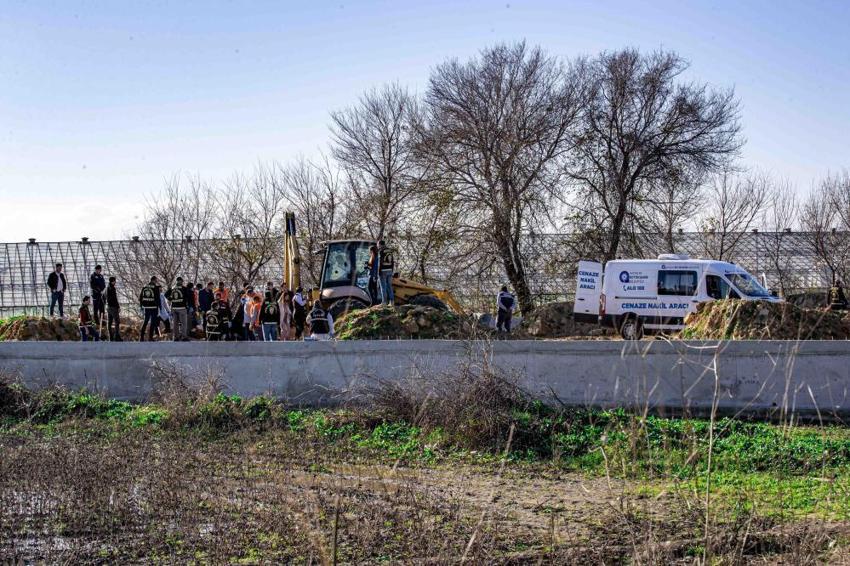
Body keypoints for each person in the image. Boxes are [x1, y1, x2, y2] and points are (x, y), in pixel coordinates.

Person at [166, 277, 189, 341]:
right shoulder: (184, 288)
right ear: (181, 281)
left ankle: (176, 337)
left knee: (175, 323)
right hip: (182, 308)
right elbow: (188, 297)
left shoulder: (173, 288)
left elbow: (166, 294)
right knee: (183, 323)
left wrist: (170, 299)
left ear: (176, 281)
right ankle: (184, 337)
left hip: (174, 308)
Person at [139, 276, 160, 341]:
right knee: (153, 322)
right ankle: (150, 337)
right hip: (154, 307)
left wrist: (141, 306)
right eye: (156, 280)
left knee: (145, 321)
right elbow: (157, 299)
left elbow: (140, 298)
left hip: (146, 307)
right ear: (154, 280)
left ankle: (141, 337)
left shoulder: (144, 287)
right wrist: (158, 307)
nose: (157, 281)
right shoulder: (156, 288)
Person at [378, 240, 395, 306]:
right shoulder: (390, 251)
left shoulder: (381, 251)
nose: (377, 246)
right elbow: (393, 261)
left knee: (383, 287)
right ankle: (392, 302)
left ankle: (384, 302)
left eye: (378, 244)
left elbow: (380, 262)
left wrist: (378, 272)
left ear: (380, 244)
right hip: (390, 270)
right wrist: (392, 270)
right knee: (389, 286)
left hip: (383, 271)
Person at [106, 276, 122, 341]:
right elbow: (115, 298)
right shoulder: (112, 288)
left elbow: (102, 297)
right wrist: (118, 307)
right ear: (112, 281)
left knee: (109, 322)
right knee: (117, 322)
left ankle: (111, 337)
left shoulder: (106, 288)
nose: (115, 282)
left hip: (108, 307)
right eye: (115, 281)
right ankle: (117, 337)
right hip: (113, 307)